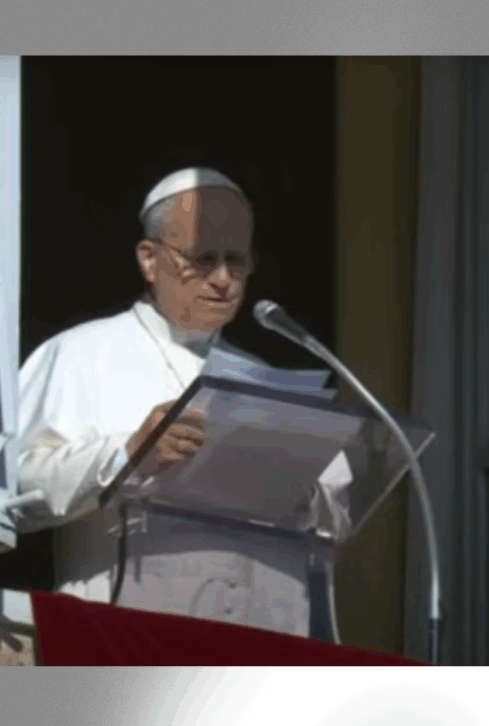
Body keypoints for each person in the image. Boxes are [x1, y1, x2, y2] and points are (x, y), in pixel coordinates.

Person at [15, 167, 314, 636]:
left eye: (236, 260)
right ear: (149, 259)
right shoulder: (78, 354)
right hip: (120, 641)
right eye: (203, 258)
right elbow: (13, 489)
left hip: (253, 644)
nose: (223, 279)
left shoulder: (266, 379)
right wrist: (127, 454)